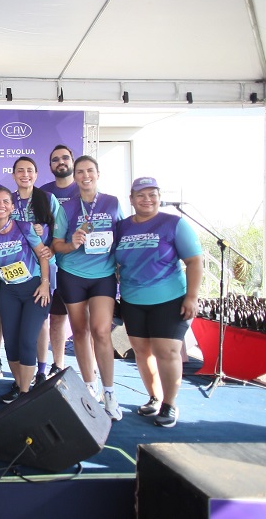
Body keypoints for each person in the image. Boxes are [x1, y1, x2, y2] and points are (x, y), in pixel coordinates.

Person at [115, 177, 202, 428]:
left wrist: (192, 297)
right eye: (140, 195)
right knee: (141, 352)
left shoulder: (174, 224)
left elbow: (194, 262)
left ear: (159, 197)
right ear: (131, 199)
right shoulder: (121, 227)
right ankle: (154, 397)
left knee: (167, 351)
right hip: (132, 299)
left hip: (169, 299)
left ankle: (170, 403)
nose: (147, 199)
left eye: (152, 194)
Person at [52, 155, 125, 421]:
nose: (85, 175)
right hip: (72, 274)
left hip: (103, 275)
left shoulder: (112, 202)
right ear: (75, 175)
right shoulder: (67, 207)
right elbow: (56, 245)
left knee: (101, 332)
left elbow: (122, 237)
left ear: (97, 174)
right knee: (80, 331)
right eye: (80, 171)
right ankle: (90, 387)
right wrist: (72, 243)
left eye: (90, 171)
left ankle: (110, 391)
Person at [0, 187, 52, 402]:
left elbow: (43, 255)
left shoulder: (24, 228)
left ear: (12, 207)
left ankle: (25, 395)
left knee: (27, 340)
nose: (1, 206)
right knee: (12, 343)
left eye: (6, 201)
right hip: (8, 292)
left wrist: (45, 284)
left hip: (34, 289)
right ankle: (19, 385)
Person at [9, 156, 59, 388]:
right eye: (20, 170)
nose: (25, 174)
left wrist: (45, 229)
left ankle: (40, 369)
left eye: (29, 170)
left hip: (42, 269)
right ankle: (20, 375)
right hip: (14, 271)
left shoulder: (47, 199)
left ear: (36, 174)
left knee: (40, 323)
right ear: (13, 175)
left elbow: (60, 233)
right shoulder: (8, 200)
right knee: (16, 324)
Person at [40, 145, 82, 378]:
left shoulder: (85, 191)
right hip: (52, 266)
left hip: (81, 269)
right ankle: (56, 364)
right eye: (55, 159)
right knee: (55, 318)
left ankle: (90, 375)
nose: (61, 162)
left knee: (82, 324)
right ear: (50, 166)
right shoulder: (44, 193)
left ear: (72, 162)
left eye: (65, 158)